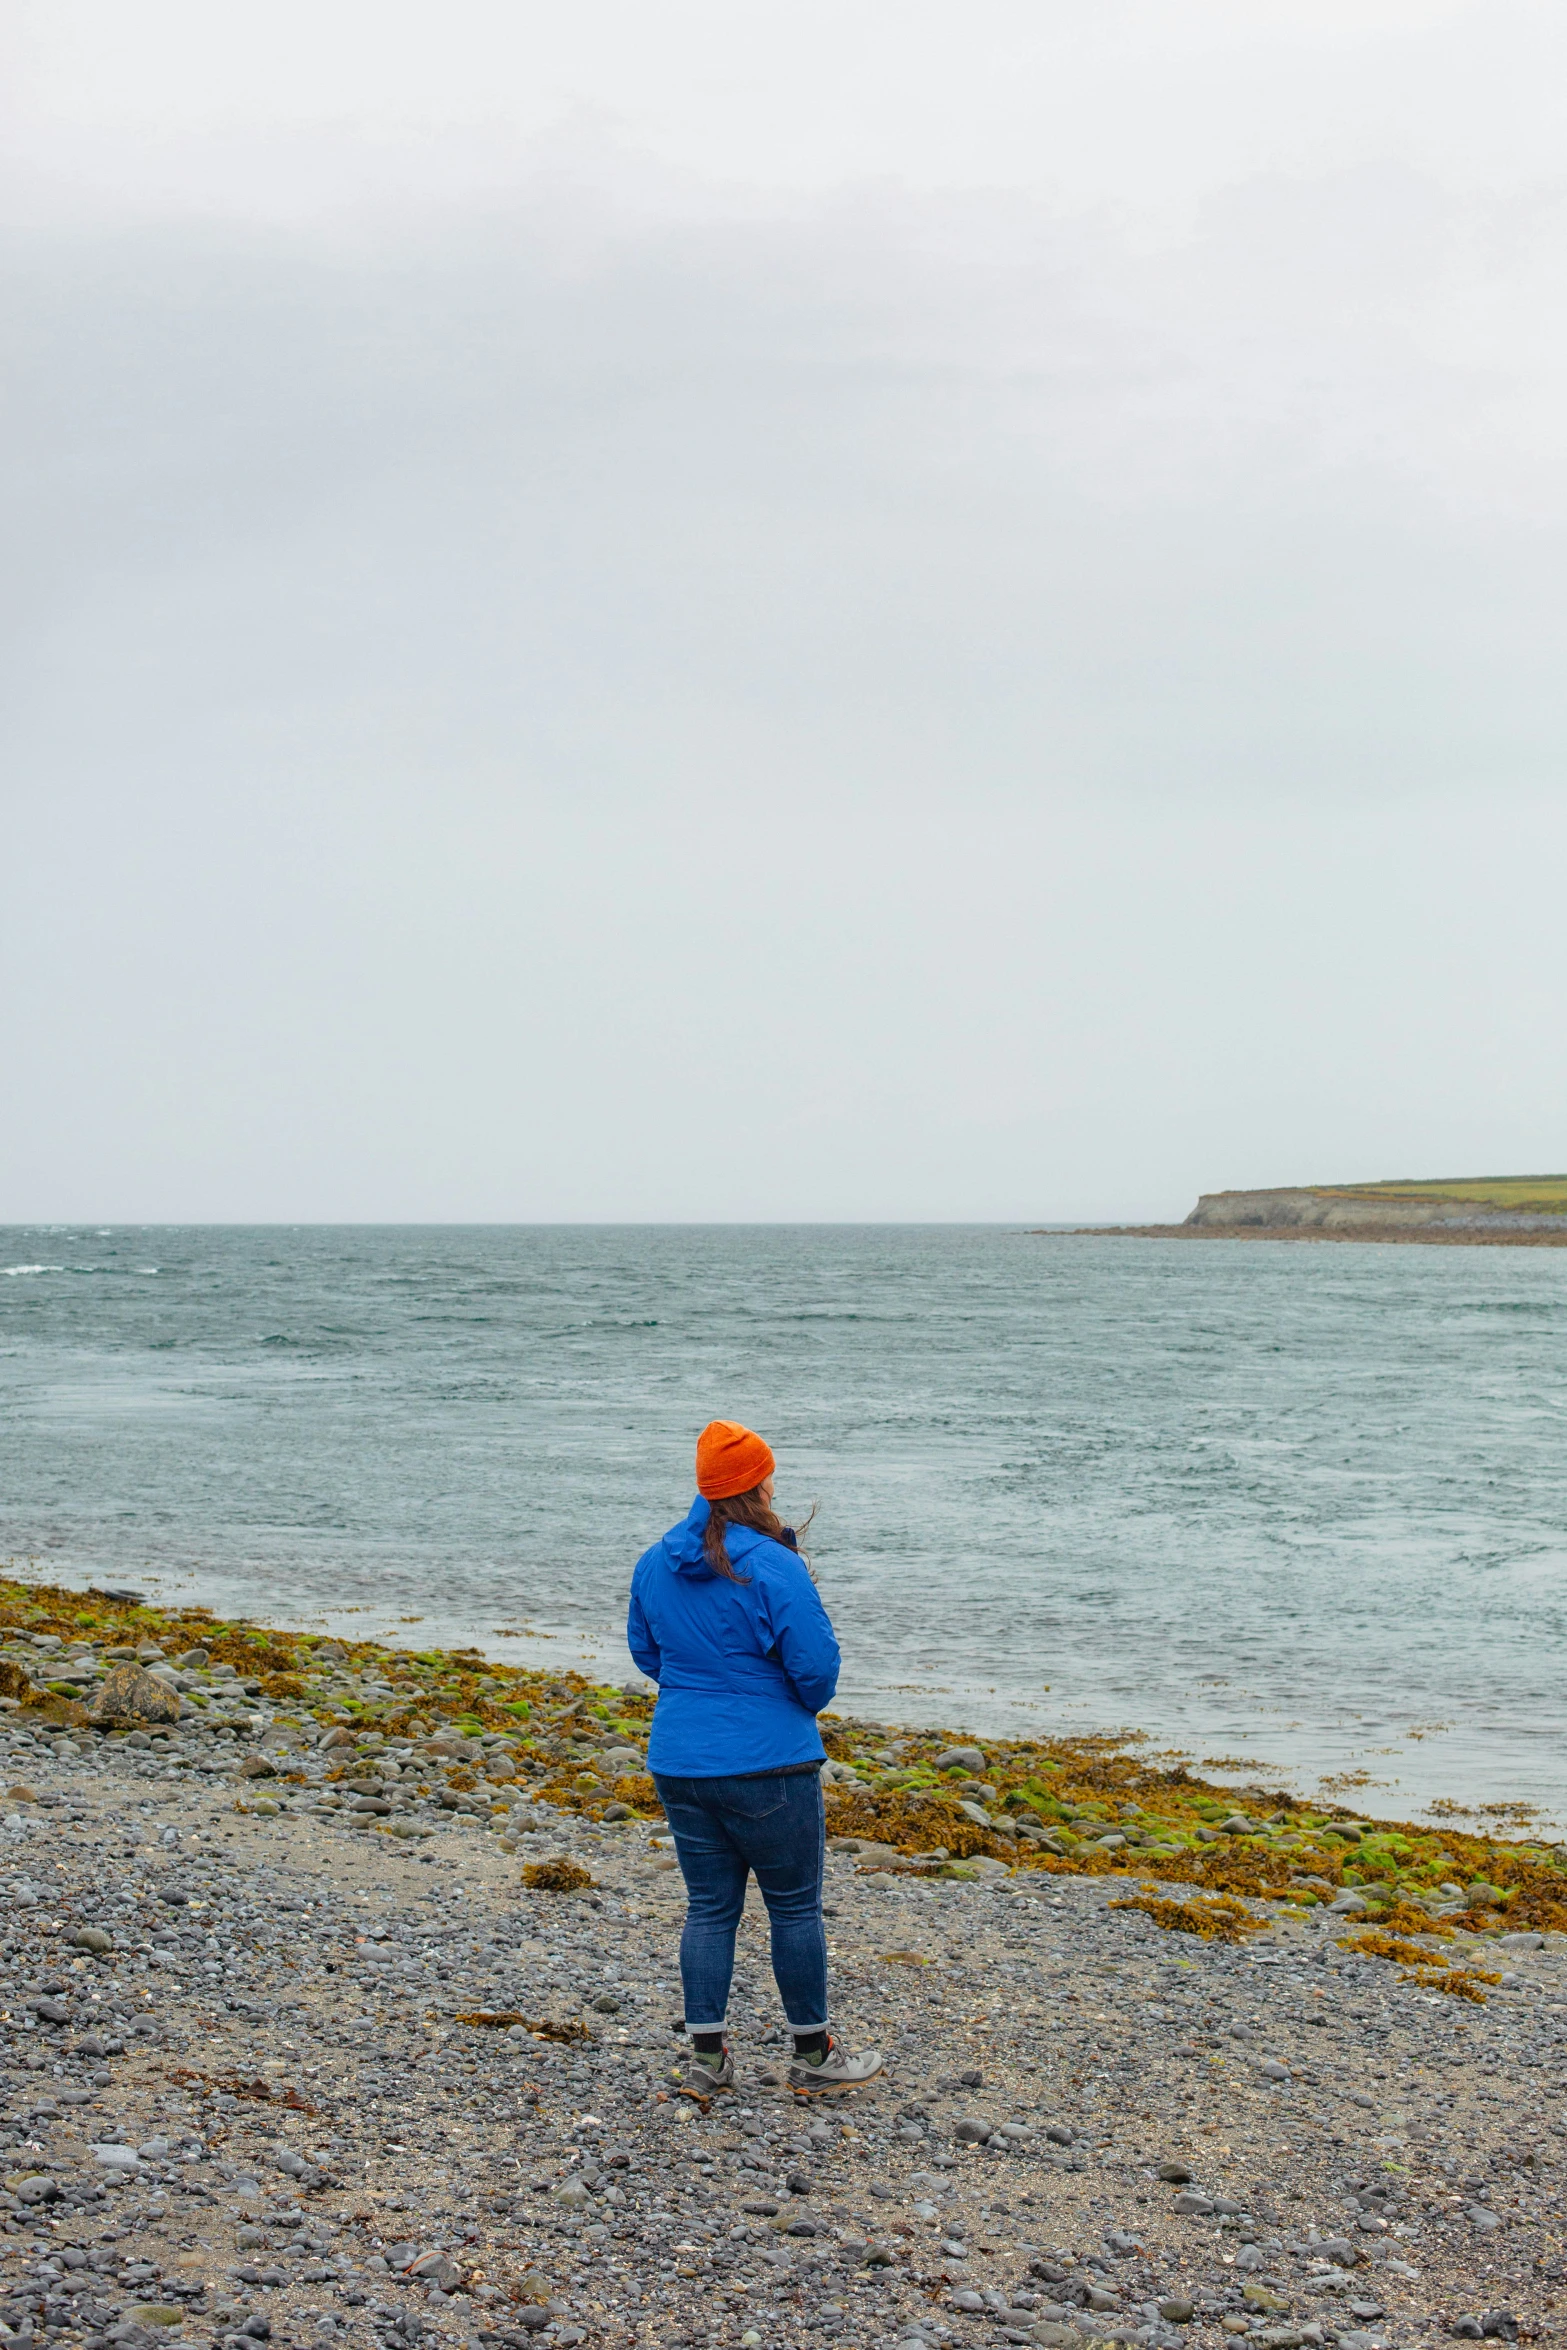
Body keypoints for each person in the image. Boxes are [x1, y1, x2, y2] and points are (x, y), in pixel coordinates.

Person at [626, 1418, 883, 2093]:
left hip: (681, 1758)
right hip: (768, 1759)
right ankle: (813, 2057)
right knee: (793, 1907)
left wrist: (702, 1694)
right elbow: (815, 1670)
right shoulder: (772, 1562)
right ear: (759, 1484)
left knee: (709, 1908)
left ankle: (707, 2061)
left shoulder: (655, 1561)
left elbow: (647, 1654)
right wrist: (768, 1700)